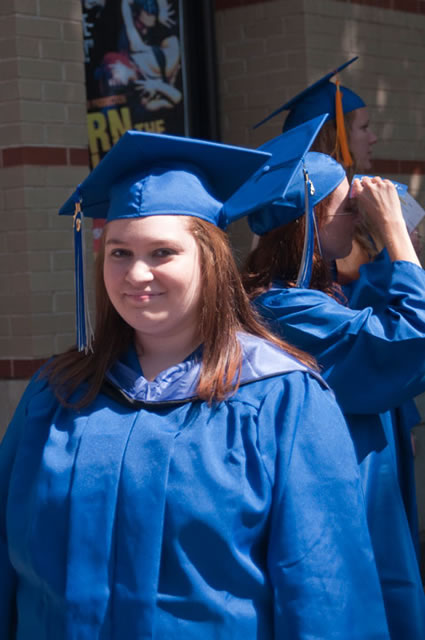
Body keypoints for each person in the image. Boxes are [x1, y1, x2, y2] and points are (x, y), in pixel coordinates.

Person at [0, 131, 390, 639]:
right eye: (120, 252)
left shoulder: (280, 397)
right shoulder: (56, 393)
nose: (136, 273)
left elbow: (324, 587)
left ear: (210, 260)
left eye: (163, 252)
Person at [237, 118, 425, 639]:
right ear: (311, 223)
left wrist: (396, 241)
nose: (359, 221)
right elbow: (410, 337)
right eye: (348, 210)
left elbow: (379, 318)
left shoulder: (307, 297)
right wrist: (394, 236)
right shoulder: (281, 309)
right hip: (339, 495)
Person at [253, 57, 380, 282]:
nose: (373, 138)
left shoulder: (358, 204)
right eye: (363, 128)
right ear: (335, 136)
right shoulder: (286, 214)